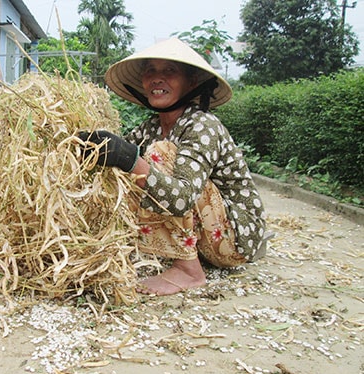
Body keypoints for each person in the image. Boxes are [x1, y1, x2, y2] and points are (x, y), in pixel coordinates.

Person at [79, 37, 267, 296]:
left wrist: (129, 158)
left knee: (157, 155)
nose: (157, 78)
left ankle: (188, 270)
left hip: (235, 239)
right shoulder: (150, 128)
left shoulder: (203, 125)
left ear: (191, 82)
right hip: (206, 237)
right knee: (130, 168)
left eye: (169, 70)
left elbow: (181, 198)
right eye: (151, 71)